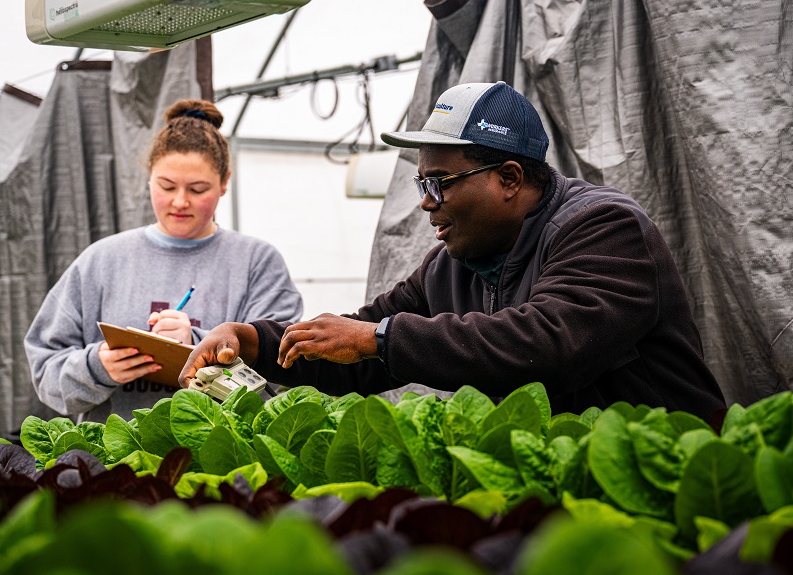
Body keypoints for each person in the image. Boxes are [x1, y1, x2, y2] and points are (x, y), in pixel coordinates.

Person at [180, 82, 725, 421]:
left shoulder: (603, 227)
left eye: (439, 181)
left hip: (667, 471)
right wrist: (250, 340)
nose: (427, 204)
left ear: (509, 177)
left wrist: (379, 338)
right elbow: (360, 344)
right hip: (561, 481)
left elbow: (547, 343)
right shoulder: (452, 266)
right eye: (422, 185)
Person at [25, 99, 303, 423]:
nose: (180, 201)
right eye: (166, 186)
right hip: (112, 465)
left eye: (198, 189)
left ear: (225, 181)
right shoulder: (101, 261)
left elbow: (283, 371)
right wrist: (98, 366)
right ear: (149, 178)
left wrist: (200, 346)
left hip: (223, 463)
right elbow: (46, 372)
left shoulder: (257, 263)